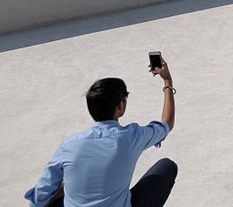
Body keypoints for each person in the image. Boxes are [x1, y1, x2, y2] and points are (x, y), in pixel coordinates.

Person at [25, 59, 178, 207]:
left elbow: (42, 192)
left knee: (62, 186)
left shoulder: (69, 145)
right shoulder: (131, 137)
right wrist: (167, 82)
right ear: (120, 107)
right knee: (167, 167)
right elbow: (166, 124)